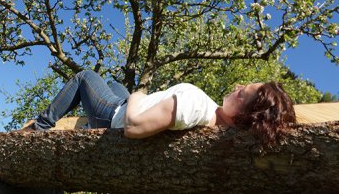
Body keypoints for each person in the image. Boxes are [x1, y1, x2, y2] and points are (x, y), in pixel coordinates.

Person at [21, 70, 296, 144]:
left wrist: (140, 94)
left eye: (241, 94)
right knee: (115, 82)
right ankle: (124, 93)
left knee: (85, 77)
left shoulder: (195, 104)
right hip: (123, 104)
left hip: (114, 116)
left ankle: (39, 127)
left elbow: (133, 127)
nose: (236, 88)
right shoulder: (217, 120)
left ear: (248, 113)